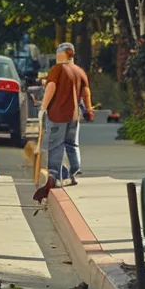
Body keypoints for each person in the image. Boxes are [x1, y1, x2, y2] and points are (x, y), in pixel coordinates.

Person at [38, 42, 92, 187]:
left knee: (56, 145)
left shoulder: (57, 70)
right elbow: (86, 93)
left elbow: (51, 87)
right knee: (72, 144)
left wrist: (43, 108)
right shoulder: (80, 71)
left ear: (61, 54)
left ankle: (54, 176)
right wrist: (89, 110)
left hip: (57, 115)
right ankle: (74, 173)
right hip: (74, 116)